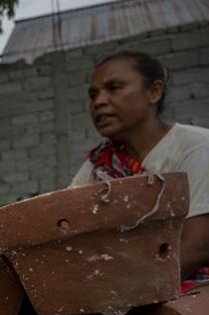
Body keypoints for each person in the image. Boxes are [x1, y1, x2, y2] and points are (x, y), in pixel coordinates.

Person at [70, 50, 209, 292]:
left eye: (114, 88)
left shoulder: (196, 147)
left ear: (154, 91)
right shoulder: (99, 166)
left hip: (189, 289)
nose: (98, 101)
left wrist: (124, 297)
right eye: (93, 95)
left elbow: (198, 246)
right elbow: (66, 224)